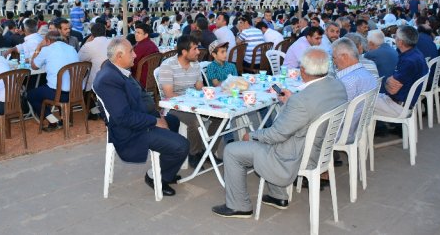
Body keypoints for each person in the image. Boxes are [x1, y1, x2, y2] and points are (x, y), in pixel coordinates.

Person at [211, 47, 347, 218]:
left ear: (303, 70)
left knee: (232, 150)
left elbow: (276, 134)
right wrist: (291, 102)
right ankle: (278, 196)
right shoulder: (337, 85)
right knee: (272, 140)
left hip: (298, 155)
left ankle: (239, 206)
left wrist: (251, 135)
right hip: (321, 148)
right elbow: (308, 111)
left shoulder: (301, 101)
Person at [94, 38, 189, 196]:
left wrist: (158, 116)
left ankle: (165, 170)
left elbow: (141, 99)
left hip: (139, 118)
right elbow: (123, 118)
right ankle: (154, 176)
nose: (135, 54)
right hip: (130, 131)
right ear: (119, 56)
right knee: (182, 146)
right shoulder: (108, 79)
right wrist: (154, 121)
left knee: (173, 121)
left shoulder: (118, 70)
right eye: (131, 51)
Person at [159, 35, 222, 167]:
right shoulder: (168, 66)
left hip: (194, 102)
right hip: (174, 106)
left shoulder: (195, 64)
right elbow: (169, 94)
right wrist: (193, 99)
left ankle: (207, 151)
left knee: (221, 117)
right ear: (184, 52)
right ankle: (194, 153)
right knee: (195, 122)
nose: (198, 52)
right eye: (195, 49)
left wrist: (214, 92)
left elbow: (199, 87)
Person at [27, 31, 80, 128]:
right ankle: (63, 119)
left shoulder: (47, 49)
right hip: (75, 92)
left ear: (47, 41)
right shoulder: (71, 48)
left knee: (31, 94)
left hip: (58, 94)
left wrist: (38, 48)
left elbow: (34, 66)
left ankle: (52, 120)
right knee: (54, 84)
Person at [374, 26, 428, 118]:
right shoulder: (416, 53)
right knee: (369, 98)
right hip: (405, 102)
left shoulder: (409, 61)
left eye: (395, 36)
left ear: (400, 42)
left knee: (361, 103)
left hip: (399, 106)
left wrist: (387, 81)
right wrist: (388, 81)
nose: (394, 38)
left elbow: (392, 90)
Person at [332, 38, 378, 140]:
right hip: (357, 128)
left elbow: (336, 113)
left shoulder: (347, 81)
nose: (333, 62)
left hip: (342, 133)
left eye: (334, 58)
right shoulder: (367, 74)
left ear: (344, 57)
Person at [78, 22, 110, 90]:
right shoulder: (114, 42)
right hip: (114, 80)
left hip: (97, 83)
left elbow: (78, 60)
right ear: (105, 32)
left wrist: (86, 42)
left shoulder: (88, 46)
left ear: (91, 34)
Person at [131, 22, 159, 88]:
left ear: (146, 35)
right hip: (153, 78)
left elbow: (132, 64)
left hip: (139, 79)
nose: (136, 35)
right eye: (135, 32)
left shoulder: (140, 47)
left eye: (139, 33)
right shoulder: (152, 44)